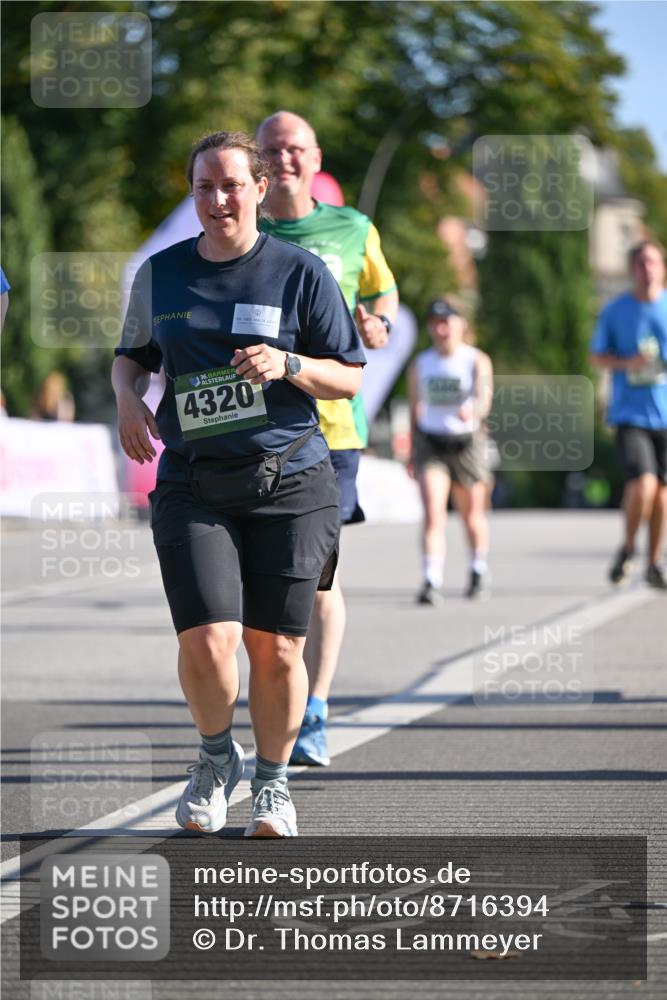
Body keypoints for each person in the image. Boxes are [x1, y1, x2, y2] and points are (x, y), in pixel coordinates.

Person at [112, 131, 364, 838]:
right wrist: (129, 399)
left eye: (230, 185)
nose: (217, 199)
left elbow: (346, 375)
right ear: (192, 194)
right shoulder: (160, 275)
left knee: (277, 647)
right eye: (203, 187)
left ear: (259, 189)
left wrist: (287, 366)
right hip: (193, 480)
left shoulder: (299, 271)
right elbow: (130, 358)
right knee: (207, 641)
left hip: (291, 478)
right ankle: (216, 756)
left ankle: (273, 782)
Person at [256, 110, 398, 767]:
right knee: (256, 580)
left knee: (314, 579)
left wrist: (379, 327)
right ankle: (271, 699)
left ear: (315, 160)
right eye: (271, 150)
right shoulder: (239, 229)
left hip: (331, 429)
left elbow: (383, 293)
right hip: (250, 427)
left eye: (294, 149)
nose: (283, 159)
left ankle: (313, 707)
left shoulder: (349, 227)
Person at [590, 238, 667, 589]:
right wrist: (628, 363)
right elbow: (596, 357)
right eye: (640, 263)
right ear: (632, 270)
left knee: (663, 495)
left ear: (662, 267)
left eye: (653, 262)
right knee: (644, 485)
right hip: (630, 414)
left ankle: (653, 562)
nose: (647, 269)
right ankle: (628, 547)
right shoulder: (616, 310)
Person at [408, 296, 494, 604]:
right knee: (433, 513)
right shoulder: (422, 363)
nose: (441, 329)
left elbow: (484, 397)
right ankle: (432, 579)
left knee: (472, 515)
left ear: (460, 325)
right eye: (435, 324)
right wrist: (411, 451)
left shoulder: (475, 359)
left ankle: (477, 568)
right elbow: (415, 406)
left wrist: (472, 409)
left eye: (447, 323)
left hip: (466, 444)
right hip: (432, 443)